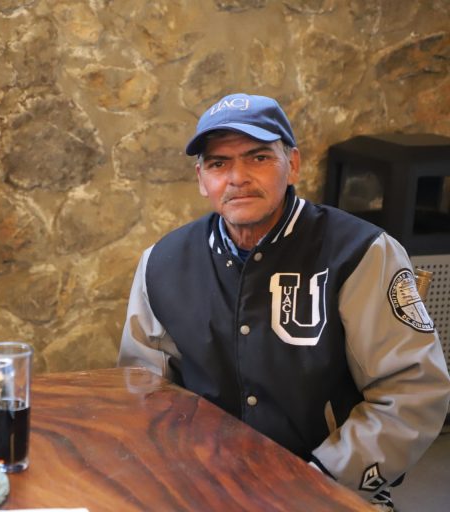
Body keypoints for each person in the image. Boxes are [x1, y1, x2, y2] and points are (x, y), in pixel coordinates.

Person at [117, 93, 450, 508]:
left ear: (292, 164)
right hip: (203, 487)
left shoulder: (362, 254)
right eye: (219, 163)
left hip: (328, 491)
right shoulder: (162, 264)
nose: (237, 178)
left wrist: (310, 485)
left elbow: (411, 393)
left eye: (258, 158)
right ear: (202, 179)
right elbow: (144, 392)